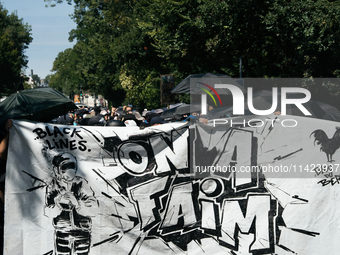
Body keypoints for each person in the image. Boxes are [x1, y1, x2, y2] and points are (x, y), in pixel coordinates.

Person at [45, 153, 97, 255]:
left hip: (82, 232)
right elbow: (48, 212)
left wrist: (77, 203)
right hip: (62, 232)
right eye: (64, 168)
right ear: (57, 170)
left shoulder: (82, 183)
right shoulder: (53, 186)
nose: (68, 172)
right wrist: (58, 201)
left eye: (71, 166)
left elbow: (94, 209)